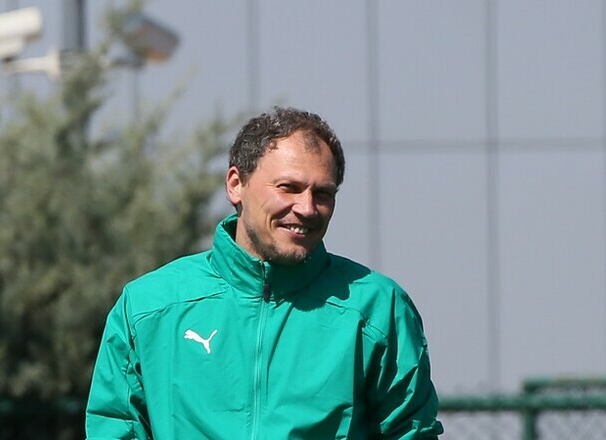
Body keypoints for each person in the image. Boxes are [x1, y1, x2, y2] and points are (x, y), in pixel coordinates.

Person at [85, 106, 444, 439]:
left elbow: (412, 432)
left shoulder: (377, 309)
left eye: (323, 193)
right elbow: (114, 428)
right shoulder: (149, 307)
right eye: (289, 188)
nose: (307, 208)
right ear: (235, 184)